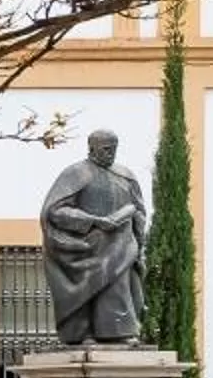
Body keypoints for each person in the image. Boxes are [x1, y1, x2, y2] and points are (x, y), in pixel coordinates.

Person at [38, 130, 148, 345]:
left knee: (118, 289)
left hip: (121, 247)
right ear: (92, 147)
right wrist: (93, 220)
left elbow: (139, 209)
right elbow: (55, 212)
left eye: (114, 149)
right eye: (106, 149)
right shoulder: (75, 174)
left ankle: (119, 333)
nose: (111, 154)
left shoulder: (126, 176)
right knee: (84, 292)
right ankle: (82, 334)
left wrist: (138, 233)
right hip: (86, 247)